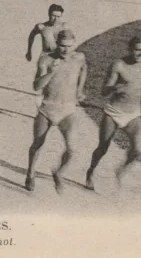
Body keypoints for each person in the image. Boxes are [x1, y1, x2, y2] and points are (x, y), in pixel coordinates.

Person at [25, 30, 87, 193]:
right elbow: (36, 86)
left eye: (69, 46)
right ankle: (30, 172)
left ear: (74, 44)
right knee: (37, 144)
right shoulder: (46, 59)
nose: (66, 50)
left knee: (72, 149)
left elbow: (83, 69)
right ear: (56, 44)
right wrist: (52, 72)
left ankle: (58, 172)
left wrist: (79, 90)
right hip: (47, 108)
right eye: (62, 46)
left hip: (67, 110)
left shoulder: (79, 58)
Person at [85, 37, 141, 191]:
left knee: (139, 149)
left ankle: (121, 170)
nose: (140, 54)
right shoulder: (118, 66)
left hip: (133, 114)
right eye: (137, 49)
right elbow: (103, 91)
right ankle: (90, 171)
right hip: (114, 112)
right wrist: (115, 88)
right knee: (103, 147)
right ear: (130, 49)